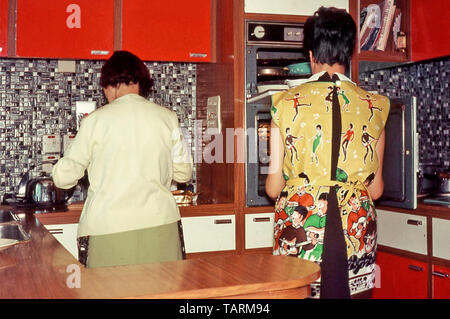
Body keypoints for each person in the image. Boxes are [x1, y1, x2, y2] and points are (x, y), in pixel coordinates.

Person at [266, 7, 390, 299]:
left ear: (311, 55)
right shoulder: (375, 106)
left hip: (303, 229)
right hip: (355, 230)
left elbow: (273, 188)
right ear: (349, 54)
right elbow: (376, 189)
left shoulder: (284, 103)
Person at [52, 50, 193, 268]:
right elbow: (184, 173)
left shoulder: (96, 121)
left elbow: (63, 178)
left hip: (108, 228)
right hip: (161, 225)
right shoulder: (168, 117)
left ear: (112, 84)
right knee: (164, 291)